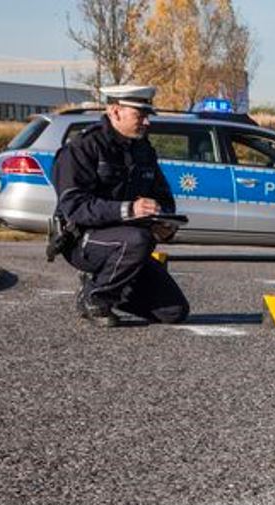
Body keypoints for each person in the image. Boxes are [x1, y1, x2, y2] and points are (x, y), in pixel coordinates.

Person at [52, 84, 189, 327]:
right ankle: (95, 297)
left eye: (147, 116)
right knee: (137, 239)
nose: (147, 123)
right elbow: (74, 206)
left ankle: (108, 284)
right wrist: (127, 210)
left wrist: (163, 220)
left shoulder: (143, 150)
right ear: (115, 112)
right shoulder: (83, 147)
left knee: (174, 311)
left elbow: (164, 198)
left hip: (129, 244)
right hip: (83, 239)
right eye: (140, 116)